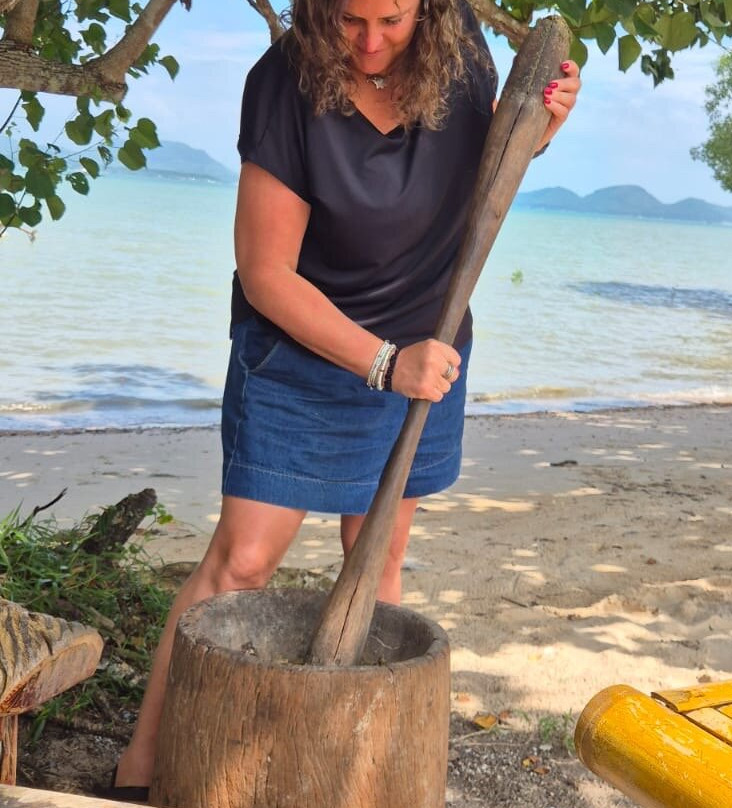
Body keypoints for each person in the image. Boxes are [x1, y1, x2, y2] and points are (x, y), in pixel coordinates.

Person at [103, 0, 580, 798]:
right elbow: (266, 274)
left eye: (391, 20)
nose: (369, 41)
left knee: (377, 558)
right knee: (240, 564)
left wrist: (540, 127)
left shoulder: (460, 47)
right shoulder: (283, 81)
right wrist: (382, 364)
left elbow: (483, 168)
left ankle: (353, 773)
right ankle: (141, 769)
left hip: (426, 344)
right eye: (349, 19)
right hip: (304, 348)